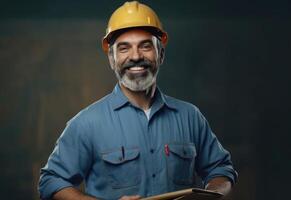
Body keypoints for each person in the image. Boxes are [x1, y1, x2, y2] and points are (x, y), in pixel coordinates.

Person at [38, 1, 238, 200]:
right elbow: (51, 182)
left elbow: (221, 170)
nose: (135, 56)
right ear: (111, 59)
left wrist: (212, 195)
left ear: (161, 54)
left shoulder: (190, 117)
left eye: (145, 46)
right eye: (124, 48)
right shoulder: (86, 123)